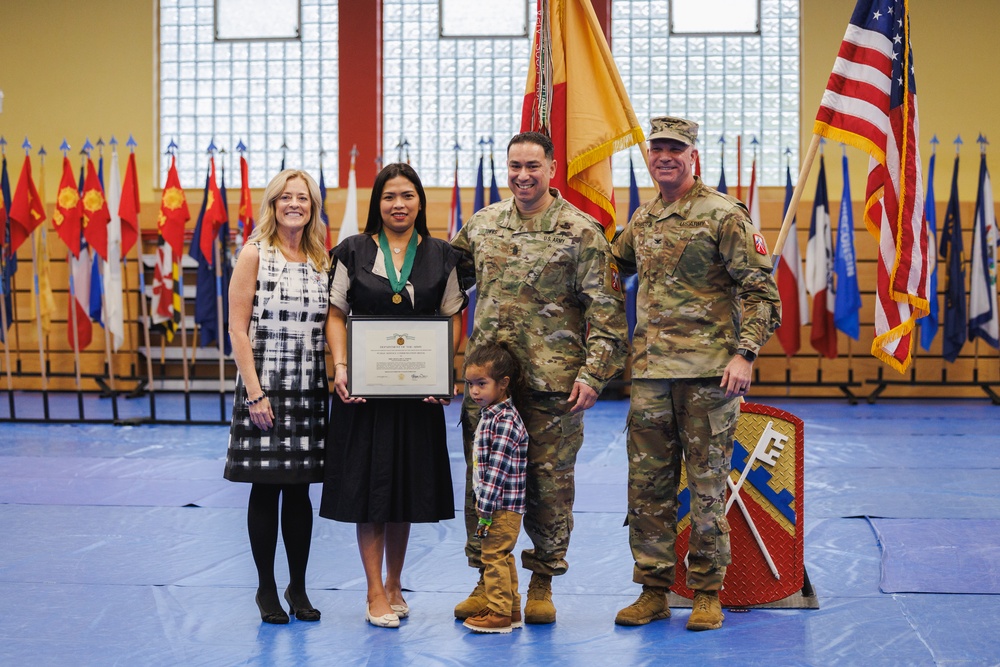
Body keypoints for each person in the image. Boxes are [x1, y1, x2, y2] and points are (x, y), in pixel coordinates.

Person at [451, 131, 628, 625]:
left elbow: (609, 316)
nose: (522, 176)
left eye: (533, 166)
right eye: (514, 166)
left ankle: (542, 581)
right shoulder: (482, 226)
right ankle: (489, 581)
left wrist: (594, 376)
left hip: (554, 391)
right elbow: (439, 287)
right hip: (487, 392)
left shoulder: (581, 231)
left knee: (549, 489)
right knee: (483, 487)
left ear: (552, 168)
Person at [611, 116, 780, 631]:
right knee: (647, 487)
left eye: (675, 149)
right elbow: (608, 265)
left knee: (706, 486)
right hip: (650, 376)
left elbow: (762, 294)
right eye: (657, 148)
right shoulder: (643, 219)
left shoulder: (723, 215)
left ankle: (707, 590)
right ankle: (654, 590)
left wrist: (744, 354)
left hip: (710, 375)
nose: (664, 156)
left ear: (692, 155)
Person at [320, 163, 466, 629]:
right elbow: (336, 314)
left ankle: (397, 583)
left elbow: (453, 316)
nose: (398, 204)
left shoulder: (443, 255)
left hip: (417, 398)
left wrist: (443, 372)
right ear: (376, 204)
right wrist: (341, 367)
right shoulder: (351, 251)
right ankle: (373, 590)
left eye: (406, 195)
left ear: (420, 201)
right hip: (363, 396)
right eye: (388, 197)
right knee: (369, 492)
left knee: (403, 490)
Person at [224, 169, 331, 624]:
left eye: (302, 198)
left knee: (300, 493)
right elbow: (237, 328)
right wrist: (254, 394)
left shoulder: (321, 258)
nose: (294, 204)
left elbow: (333, 325)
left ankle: (298, 587)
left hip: (307, 387)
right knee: (266, 492)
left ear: (312, 207)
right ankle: (266, 588)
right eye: (285, 197)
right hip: (263, 387)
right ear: (272, 204)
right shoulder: (254, 253)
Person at [462, 342, 529, 635]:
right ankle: (512, 608)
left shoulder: (503, 421)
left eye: (482, 384)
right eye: (470, 384)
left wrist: (485, 505)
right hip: (500, 505)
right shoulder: (491, 414)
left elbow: (497, 469)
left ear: (503, 384)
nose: (474, 391)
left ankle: (499, 612)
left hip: (500, 506)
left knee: (492, 556)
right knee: (503, 555)